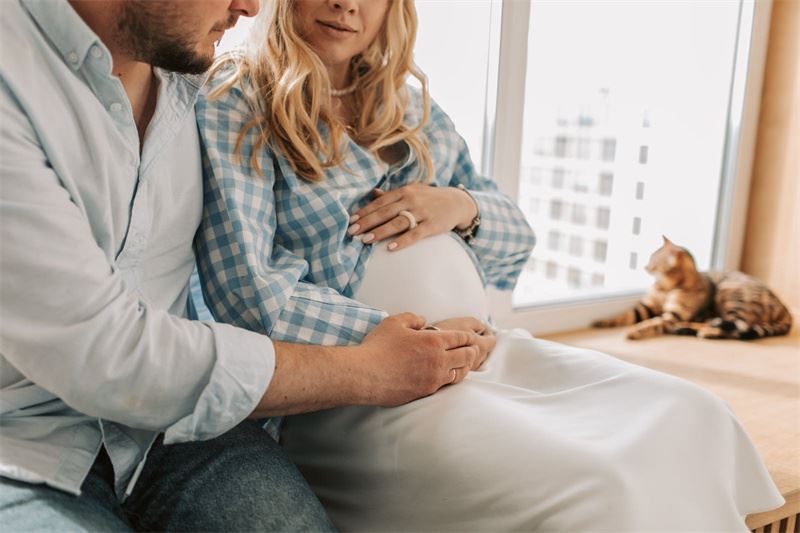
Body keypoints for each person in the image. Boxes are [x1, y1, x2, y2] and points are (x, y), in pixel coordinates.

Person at [194, 0, 785, 530]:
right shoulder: (238, 99)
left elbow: (516, 239)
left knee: (694, 415)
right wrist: (414, 339)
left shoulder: (410, 106)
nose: (347, 4)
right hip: (360, 390)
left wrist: (459, 205)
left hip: (485, 354)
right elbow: (249, 296)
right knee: (599, 481)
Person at [0, 1, 492, 530]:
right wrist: (376, 366)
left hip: (176, 432)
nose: (251, 6)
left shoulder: (185, 74)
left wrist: (463, 207)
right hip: (23, 438)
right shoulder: (17, 77)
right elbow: (110, 352)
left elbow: (508, 231)